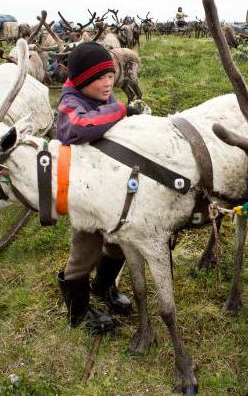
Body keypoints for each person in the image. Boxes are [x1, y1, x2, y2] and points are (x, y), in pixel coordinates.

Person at [55, 41, 140, 334]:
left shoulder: (102, 96)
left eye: (110, 76)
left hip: (110, 187)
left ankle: (103, 286)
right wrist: (121, 113)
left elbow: (111, 111)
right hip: (85, 193)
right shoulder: (70, 104)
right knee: (85, 250)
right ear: (81, 80)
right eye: (100, 78)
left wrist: (117, 110)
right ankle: (78, 311)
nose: (108, 83)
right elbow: (78, 126)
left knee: (115, 240)